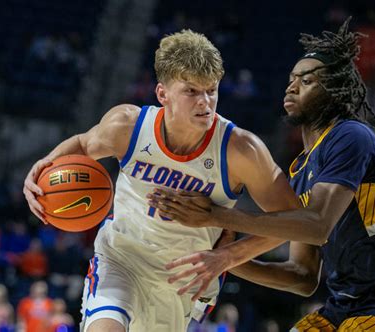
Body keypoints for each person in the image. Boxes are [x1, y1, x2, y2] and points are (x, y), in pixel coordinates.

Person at [149, 19, 375, 331]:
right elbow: (302, 277)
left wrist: (216, 217)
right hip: (345, 303)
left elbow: (317, 226)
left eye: (307, 81)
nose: (292, 86)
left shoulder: (350, 135)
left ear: (333, 92)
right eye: (291, 79)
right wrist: (226, 259)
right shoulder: (300, 171)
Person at [23, 30, 319, 331]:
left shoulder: (241, 150)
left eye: (211, 90)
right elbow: (83, 145)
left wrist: (228, 257)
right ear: (162, 93)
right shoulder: (127, 125)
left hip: (185, 279)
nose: (205, 102)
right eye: (191, 91)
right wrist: (43, 168)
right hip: (122, 257)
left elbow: (292, 221)